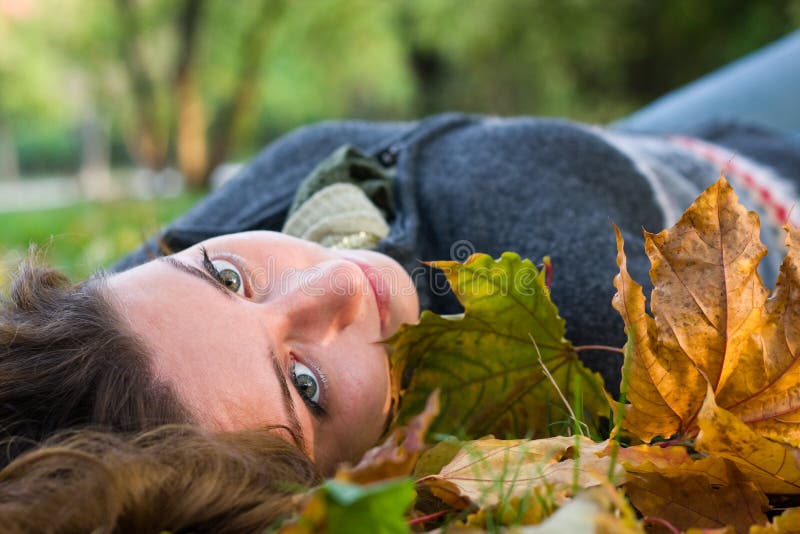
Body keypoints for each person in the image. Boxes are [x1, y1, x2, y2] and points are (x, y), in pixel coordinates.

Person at [1, 30, 799, 531]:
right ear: (351, 483)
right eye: (305, 384)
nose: (334, 286)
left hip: (690, 133)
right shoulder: (593, 357)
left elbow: (117, 323)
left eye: (228, 275)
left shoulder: (175, 304)